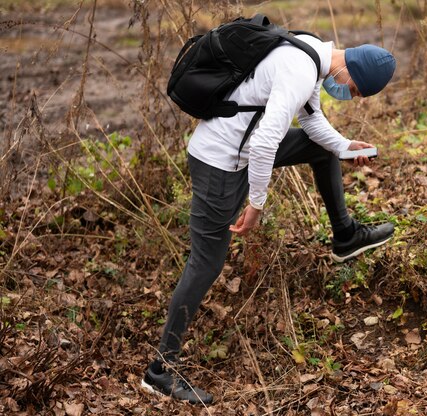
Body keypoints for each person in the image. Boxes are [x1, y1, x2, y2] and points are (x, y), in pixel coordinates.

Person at [140, 32, 396, 404]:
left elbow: (311, 122)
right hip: (220, 160)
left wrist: (342, 146)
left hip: (239, 148)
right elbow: (264, 143)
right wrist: (256, 204)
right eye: (355, 90)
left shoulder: (311, 50)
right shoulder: (300, 71)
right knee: (206, 263)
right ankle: (159, 371)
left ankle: (346, 236)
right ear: (350, 68)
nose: (350, 96)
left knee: (322, 151)